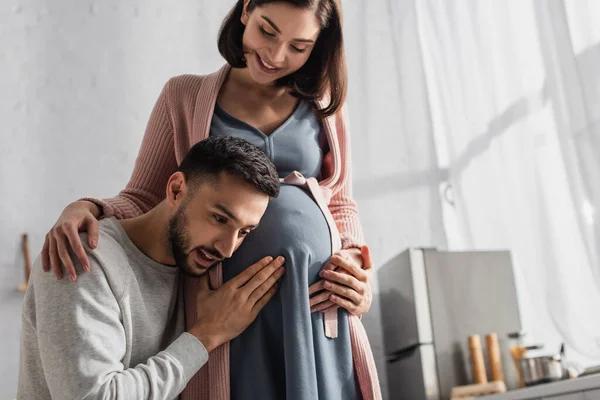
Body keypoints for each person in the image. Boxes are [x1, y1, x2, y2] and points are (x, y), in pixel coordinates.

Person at [42, 0, 381, 399]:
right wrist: (87, 207)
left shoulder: (324, 106)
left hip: (316, 309)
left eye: (299, 46)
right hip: (228, 316)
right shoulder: (185, 95)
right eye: (267, 32)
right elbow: (148, 195)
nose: (276, 56)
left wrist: (358, 266)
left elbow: (340, 201)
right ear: (246, 10)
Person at [18, 136, 284, 399]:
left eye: (244, 232)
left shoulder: (196, 272)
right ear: (176, 189)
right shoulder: (82, 258)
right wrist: (206, 335)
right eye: (219, 218)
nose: (227, 249)